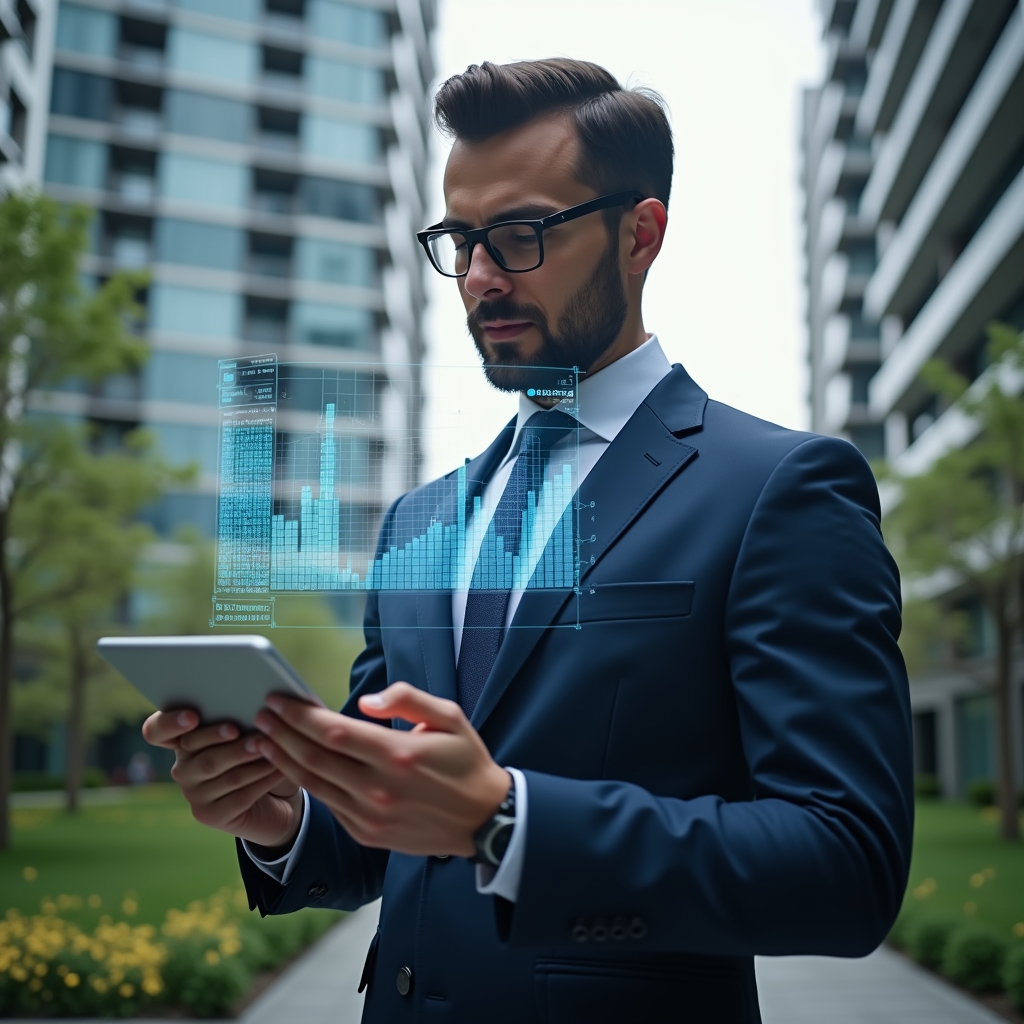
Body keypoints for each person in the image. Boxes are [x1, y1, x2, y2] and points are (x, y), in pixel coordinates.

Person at [143, 59, 913, 1023]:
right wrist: (286, 819)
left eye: (520, 235)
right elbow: (389, 824)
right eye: (461, 240)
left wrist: (507, 821)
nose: (479, 277)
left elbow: (847, 863)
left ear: (640, 235)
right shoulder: (419, 519)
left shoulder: (780, 489)